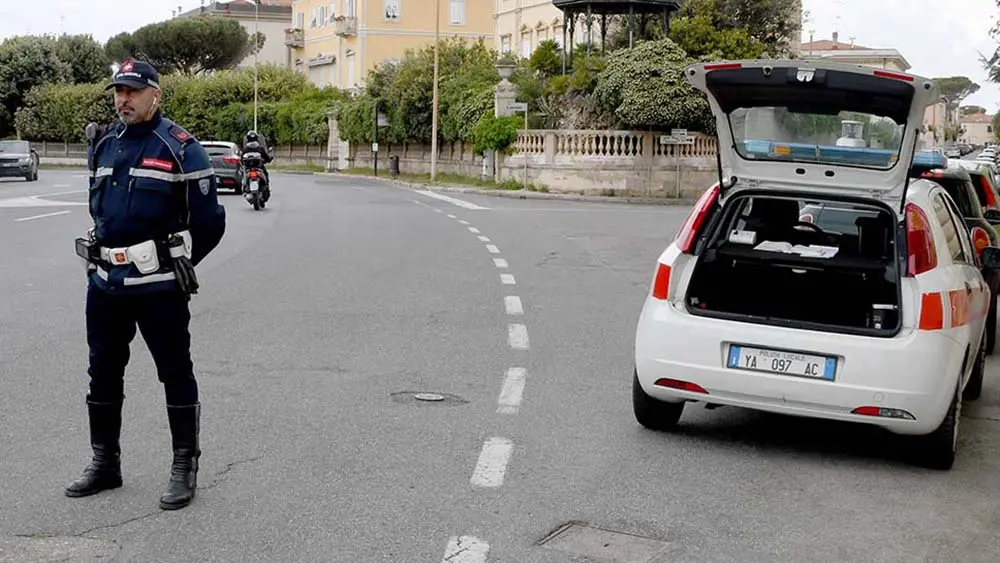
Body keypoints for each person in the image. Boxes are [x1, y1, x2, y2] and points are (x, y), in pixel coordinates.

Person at [68, 59, 226, 510]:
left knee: (174, 373)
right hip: (105, 283)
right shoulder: (104, 145)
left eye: (133, 91)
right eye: (119, 90)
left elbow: (211, 221)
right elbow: (101, 211)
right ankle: (105, 463)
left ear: (156, 95)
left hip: (158, 287)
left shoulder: (180, 147)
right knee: (102, 372)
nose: (123, 99)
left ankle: (184, 465)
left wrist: (179, 260)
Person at [241, 129, 273, 200]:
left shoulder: (245, 149)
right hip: (259, 168)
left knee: (244, 180)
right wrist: (268, 159)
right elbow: (266, 157)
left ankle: (247, 189)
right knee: (266, 175)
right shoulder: (260, 148)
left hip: (249, 169)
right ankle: (265, 188)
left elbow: (241, 159)